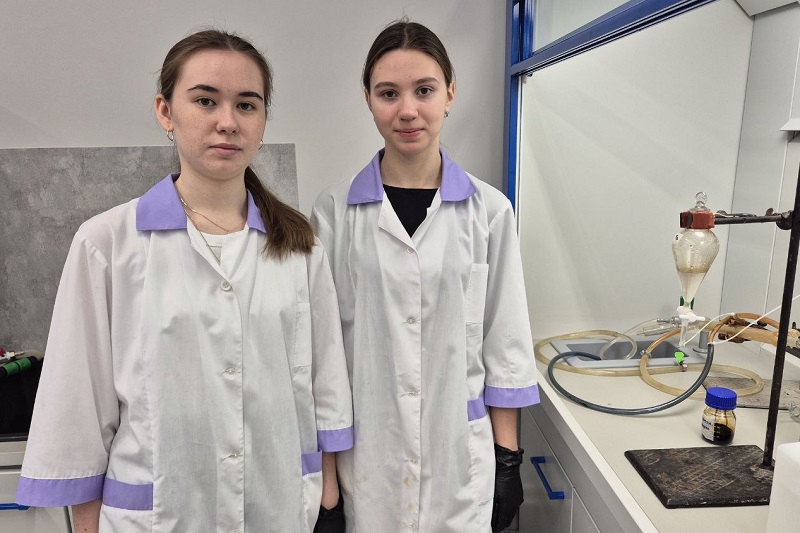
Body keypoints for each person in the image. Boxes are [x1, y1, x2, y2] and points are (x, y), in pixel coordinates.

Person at [17, 29, 352, 533]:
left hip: (280, 508)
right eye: (205, 100)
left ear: (263, 120)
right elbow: (76, 409)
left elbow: (324, 382)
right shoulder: (107, 243)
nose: (227, 121)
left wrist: (325, 495)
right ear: (165, 111)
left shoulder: (299, 246)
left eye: (246, 104)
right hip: (155, 517)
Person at [311, 20, 539, 533]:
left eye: (425, 90)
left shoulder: (490, 212)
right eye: (389, 93)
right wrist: (327, 489)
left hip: (460, 462)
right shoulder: (333, 212)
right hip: (367, 465)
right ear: (368, 100)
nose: (408, 110)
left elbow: (504, 343)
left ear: (450, 94)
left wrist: (507, 460)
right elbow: (321, 358)